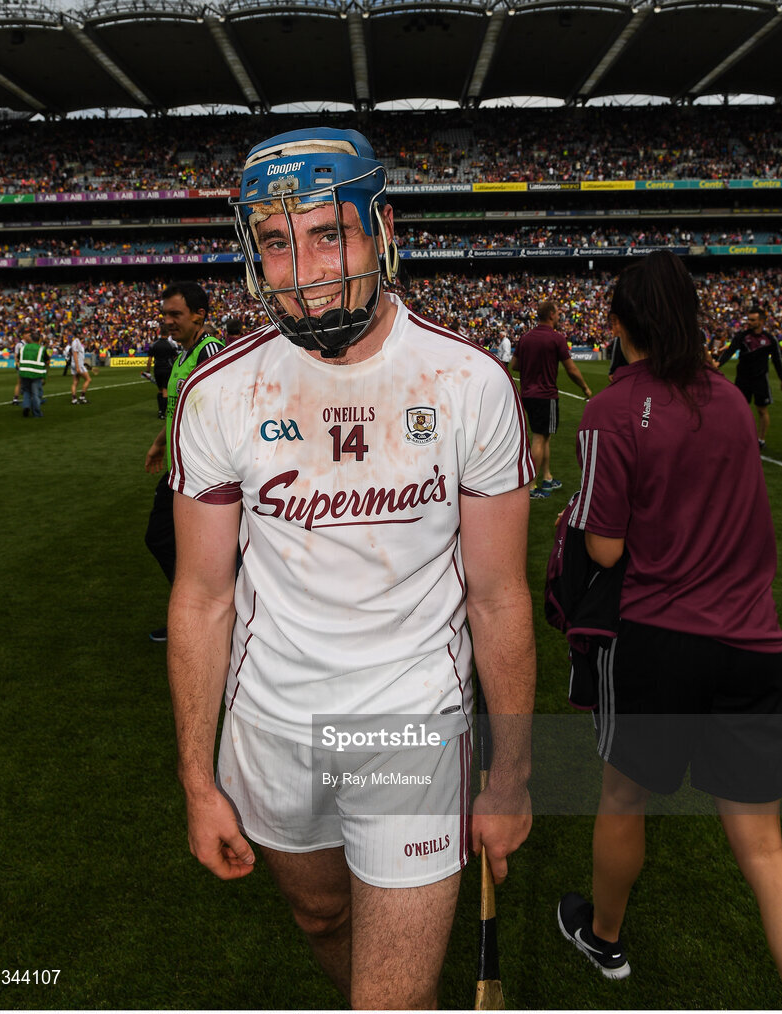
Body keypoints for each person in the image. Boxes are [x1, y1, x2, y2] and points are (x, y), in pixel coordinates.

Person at [166, 127, 537, 1009]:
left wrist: (513, 775)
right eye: (275, 242)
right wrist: (194, 778)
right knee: (322, 921)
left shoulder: (467, 383)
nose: (303, 268)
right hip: (269, 725)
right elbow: (202, 598)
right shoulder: (217, 393)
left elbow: (497, 595)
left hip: (410, 722)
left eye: (328, 233)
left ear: (381, 229)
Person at [557, 251, 782, 982]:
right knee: (763, 844)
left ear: (616, 322)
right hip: (752, 636)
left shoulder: (611, 408)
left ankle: (605, 936)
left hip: (658, 634)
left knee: (623, 797)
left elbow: (604, 544)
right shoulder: (726, 397)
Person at [143, 284, 225, 642]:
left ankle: (200, 612)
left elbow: (223, 412)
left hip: (199, 474)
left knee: (166, 539)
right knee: (171, 542)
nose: (167, 321)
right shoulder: (182, 355)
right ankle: (194, 611)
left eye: (175, 314)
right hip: (180, 469)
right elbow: (179, 410)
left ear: (199, 315)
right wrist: (159, 443)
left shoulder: (210, 352)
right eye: (165, 314)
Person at [510, 301, 591, 500]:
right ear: (552, 315)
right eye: (558, 313)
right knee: (540, 437)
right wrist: (585, 387)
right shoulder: (556, 338)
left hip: (528, 395)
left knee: (544, 436)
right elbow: (571, 369)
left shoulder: (526, 337)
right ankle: (530, 486)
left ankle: (547, 477)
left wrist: (532, 367)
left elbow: (514, 365)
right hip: (545, 396)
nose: (559, 316)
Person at [716, 305, 782, 450]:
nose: (749, 322)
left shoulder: (770, 339)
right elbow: (730, 351)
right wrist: (718, 363)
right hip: (742, 380)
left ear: (761, 321)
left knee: (762, 410)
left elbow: (778, 361)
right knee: (740, 410)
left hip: (760, 380)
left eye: (753, 320)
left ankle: (761, 439)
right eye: (749, 319)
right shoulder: (742, 336)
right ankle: (739, 436)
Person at [145, 330, 180, 419]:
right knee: (165, 390)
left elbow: (149, 359)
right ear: (168, 333)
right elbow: (176, 358)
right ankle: (162, 412)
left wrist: (148, 371)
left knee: (160, 390)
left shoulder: (154, 344)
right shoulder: (171, 345)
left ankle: (160, 410)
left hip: (157, 369)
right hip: (167, 369)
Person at [18, 331, 50, 418]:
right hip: (36, 373)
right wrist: (45, 375)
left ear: (31, 339)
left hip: (24, 372)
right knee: (35, 394)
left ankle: (26, 406)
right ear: (39, 339)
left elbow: (18, 358)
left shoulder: (23, 348)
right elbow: (47, 361)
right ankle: (37, 413)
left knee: (26, 391)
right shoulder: (41, 349)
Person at [70, 332, 91, 405]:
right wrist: (77, 367)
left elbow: (80, 356)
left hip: (77, 364)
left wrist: (85, 364)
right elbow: (75, 355)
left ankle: (74, 399)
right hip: (77, 365)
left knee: (75, 382)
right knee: (88, 379)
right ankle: (82, 397)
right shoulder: (76, 343)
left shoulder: (78, 343)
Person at [11, 334, 24, 406]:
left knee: (21, 382)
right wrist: (18, 364)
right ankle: (15, 398)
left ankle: (16, 398)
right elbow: (16, 355)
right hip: (22, 365)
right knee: (19, 382)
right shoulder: (19, 344)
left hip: (26, 365)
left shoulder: (29, 344)